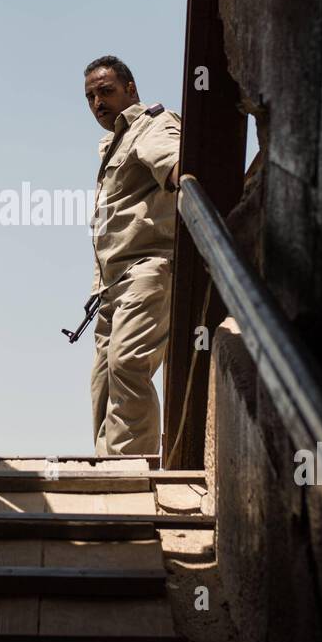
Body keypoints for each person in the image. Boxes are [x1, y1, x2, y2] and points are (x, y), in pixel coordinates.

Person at [83, 55, 182, 455]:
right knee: (103, 383)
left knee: (128, 365)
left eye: (106, 91)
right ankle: (109, 468)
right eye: (90, 96)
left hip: (147, 270)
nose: (97, 103)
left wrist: (186, 179)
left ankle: (129, 473)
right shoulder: (112, 145)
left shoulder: (151, 125)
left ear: (131, 89)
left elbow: (178, 166)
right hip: (110, 286)